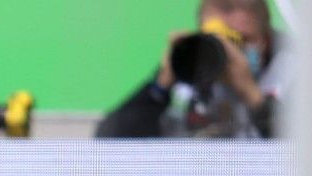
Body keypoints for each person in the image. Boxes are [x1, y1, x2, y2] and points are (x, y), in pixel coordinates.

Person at [97, 0, 289, 139]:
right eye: (219, 41)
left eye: (241, 42)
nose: (227, 53)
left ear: (264, 40)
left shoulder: (291, 71)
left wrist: (253, 96)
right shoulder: (189, 69)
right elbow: (108, 140)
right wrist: (161, 84)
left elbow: (307, 157)